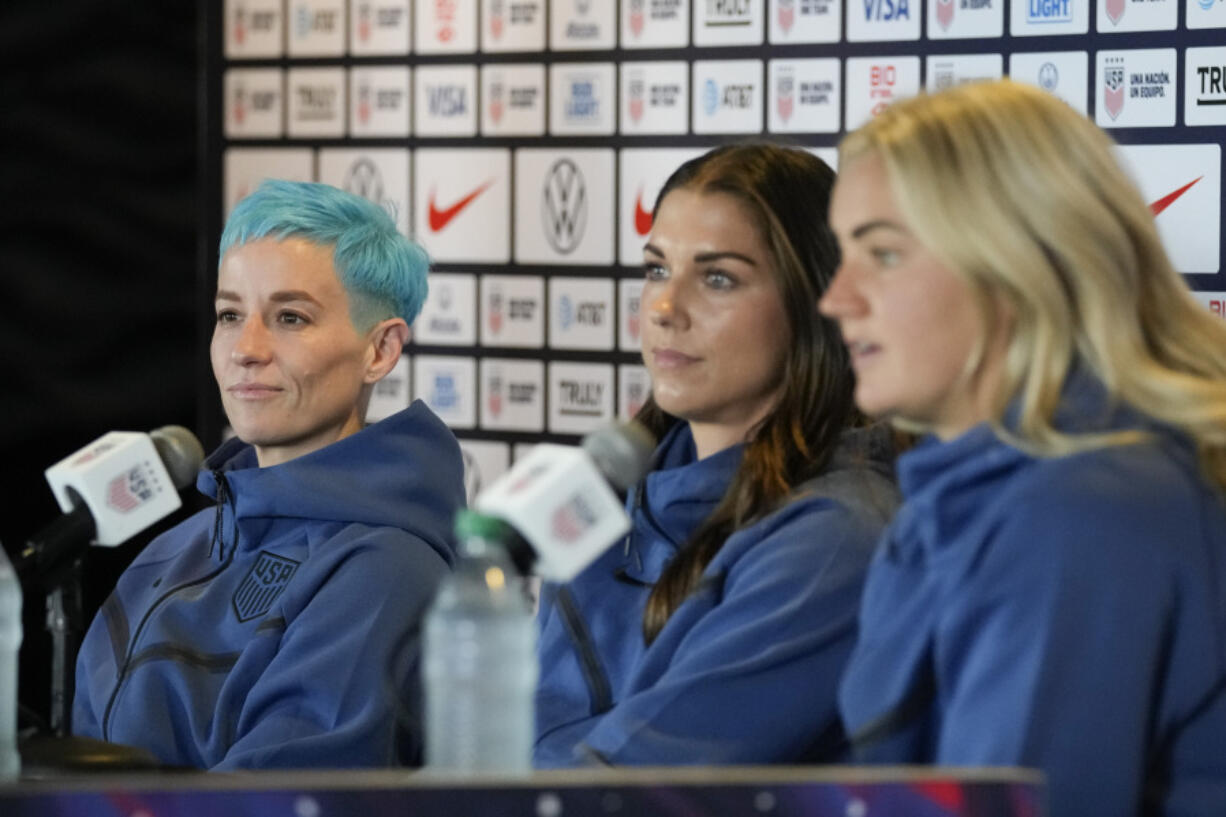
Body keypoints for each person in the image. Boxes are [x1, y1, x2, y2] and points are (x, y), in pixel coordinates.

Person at [820, 79, 1226, 817]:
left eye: (881, 254)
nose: (836, 298)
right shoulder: (1002, 491)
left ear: (1014, 262)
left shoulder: (1080, 513)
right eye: (841, 253)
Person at [72, 180, 466, 769]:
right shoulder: (171, 551)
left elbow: (271, 799)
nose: (245, 348)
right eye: (230, 314)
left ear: (379, 351)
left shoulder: (385, 572)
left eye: (289, 317)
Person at [534, 144, 900, 767]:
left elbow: (633, 784)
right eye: (656, 269)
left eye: (718, 278)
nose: (665, 308)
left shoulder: (835, 537)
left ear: (817, 304)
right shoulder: (608, 488)